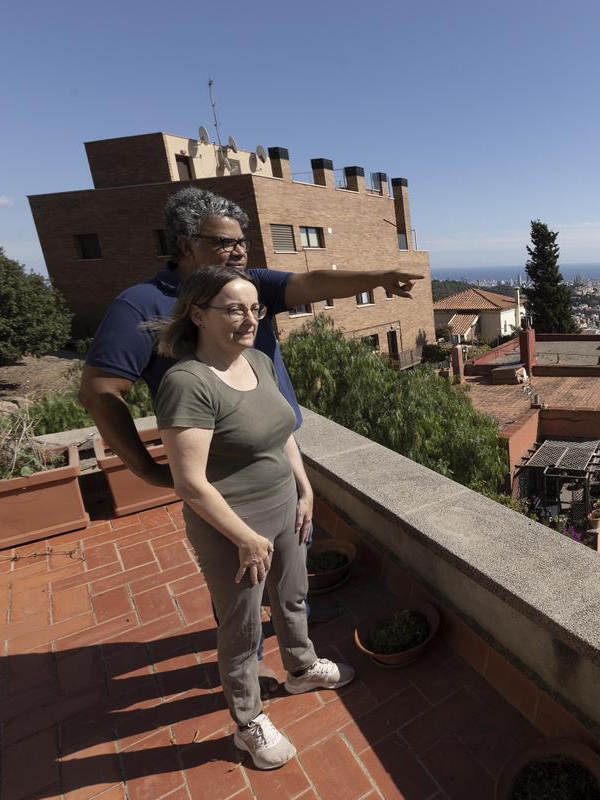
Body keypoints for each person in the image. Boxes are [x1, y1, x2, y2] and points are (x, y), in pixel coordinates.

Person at [79, 187, 423, 676]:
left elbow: (313, 281)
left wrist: (382, 278)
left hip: (278, 451)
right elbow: (99, 392)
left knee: (290, 565)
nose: (239, 252)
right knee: (237, 582)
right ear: (184, 244)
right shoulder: (142, 305)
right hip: (219, 472)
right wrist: (149, 471)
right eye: (224, 242)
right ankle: (247, 673)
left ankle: (296, 650)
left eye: (243, 242)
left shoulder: (250, 284)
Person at [153, 265, 348, 770]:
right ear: (198, 313)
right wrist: (244, 536)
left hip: (284, 504)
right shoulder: (187, 383)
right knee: (240, 628)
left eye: (254, 309)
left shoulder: (258, 360)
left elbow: (282, 432)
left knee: (292, 596)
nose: (248, 318)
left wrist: (304, 488)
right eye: (234, 308)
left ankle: (300, 669)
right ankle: (248, 721)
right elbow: (189, 481)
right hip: (230, 526)